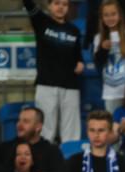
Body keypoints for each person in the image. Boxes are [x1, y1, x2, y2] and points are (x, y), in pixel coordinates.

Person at [23, 0, 84, 143]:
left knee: (72, 131)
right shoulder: (41, 22)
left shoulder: (74, 30)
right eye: (57, 3)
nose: (61, 7)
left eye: (65, 4)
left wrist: (80, 64)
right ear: (49, 5)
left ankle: (70, 156)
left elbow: (78, 56)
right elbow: (28, 4)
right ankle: (44, 156)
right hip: (47, 84)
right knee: (45, 129)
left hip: (70, 86)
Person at [0, 107, 65, 172]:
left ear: (38, 126)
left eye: (26, 121)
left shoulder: (51, 150)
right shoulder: (4, 148)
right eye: (19, 120)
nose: (19, 125)